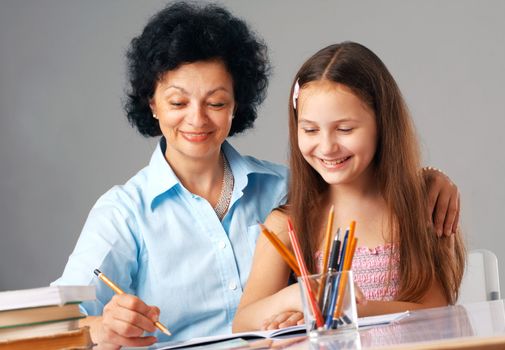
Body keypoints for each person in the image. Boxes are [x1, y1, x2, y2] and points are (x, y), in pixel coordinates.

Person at [52, 2, 459, 348]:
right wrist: (103, 328)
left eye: (216, 101)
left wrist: (426, 180)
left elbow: (353, 180)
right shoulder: (124, 213)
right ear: (152, 104)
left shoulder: (291, 189)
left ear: (236, 106)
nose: (196, 118)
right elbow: (60, 323)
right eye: (177, 101)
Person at [233, 42, 466, 332]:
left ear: (382, 124)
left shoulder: (423, 206)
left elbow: (437, 313)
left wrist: (343, 308)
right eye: (310, 130)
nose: (327, 147)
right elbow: (242, 325)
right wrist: (300, 297)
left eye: (345, 129)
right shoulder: (287, 223)